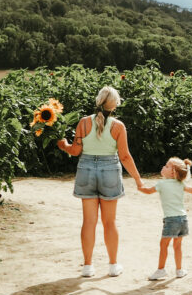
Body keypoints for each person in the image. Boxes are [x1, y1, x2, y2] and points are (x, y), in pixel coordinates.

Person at [57, 86, 143, 277]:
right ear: (115, 105)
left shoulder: (83, 123)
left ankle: (87, 266)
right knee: (110, 222)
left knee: (88, 222)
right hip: (110, 170)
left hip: (86, 169)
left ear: (98, 101)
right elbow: (125, 157)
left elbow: (75, 151)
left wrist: (64, 146)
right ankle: (113, 266)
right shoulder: (118, 126)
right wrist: (138, 180)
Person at [137, 157, 192, 280]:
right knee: (177, 246)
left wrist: (139, 185)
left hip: (171, 220)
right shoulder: (181, 184)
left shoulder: (161, 184)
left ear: (173, 172)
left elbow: (148, 191)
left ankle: (161, 270)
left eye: (166, 166)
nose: (163, 167)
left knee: (163, 245)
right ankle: (179, 270)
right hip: (183, 219)